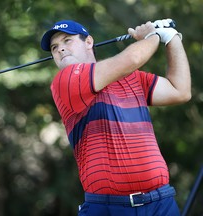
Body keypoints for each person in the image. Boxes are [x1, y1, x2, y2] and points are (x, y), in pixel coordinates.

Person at [40, 19, 191, 216]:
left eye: (67, 41)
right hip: (108, 208)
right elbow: (132, 58)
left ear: (89, 42)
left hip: (161, 203)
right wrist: (153, 34)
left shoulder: (132, 78)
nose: (60, 49)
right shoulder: (65, 81)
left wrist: (172, 38)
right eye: (54, 47)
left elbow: (180, 91)